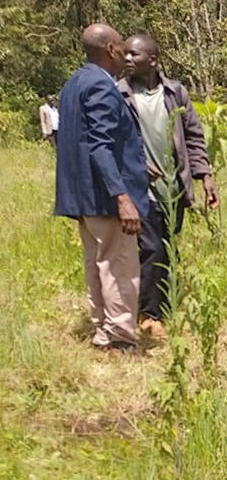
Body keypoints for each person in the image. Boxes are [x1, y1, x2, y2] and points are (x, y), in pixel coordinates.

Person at [54, 25, 148, 354]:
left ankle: (104, 332)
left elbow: (81, 141)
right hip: (105, 198)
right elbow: (100, 146)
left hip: (83, 197)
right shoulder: (101, 86)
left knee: (97, 264)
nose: (124, 51)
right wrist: (122, 197)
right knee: (119, 266)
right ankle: (121, 338)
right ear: (110, 49)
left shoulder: (73, 84)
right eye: (121, 45)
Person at [117, 34, 218, 341]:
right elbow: (111, 140)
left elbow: (193, 137)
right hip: (140, 190)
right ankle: (148, 315)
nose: (127, 58)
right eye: (125, 54)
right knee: (151, 248)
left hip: (174, 188)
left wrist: (204, 176)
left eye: (134, 54)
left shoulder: (176, 93)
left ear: (152, 60)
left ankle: (165, 304)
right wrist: (135, 162)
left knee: (169, 247)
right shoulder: (119, 93)